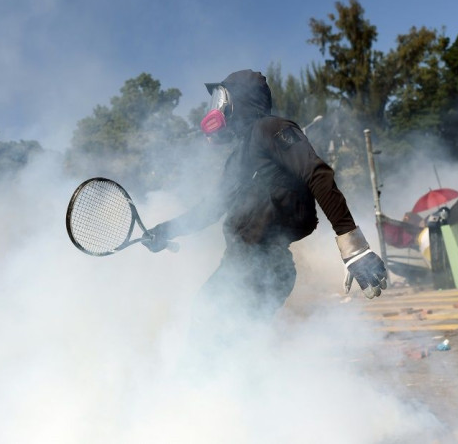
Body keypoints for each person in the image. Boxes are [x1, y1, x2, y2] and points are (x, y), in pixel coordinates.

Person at [142, 69, 387, 349]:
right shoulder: (238, 158)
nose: (215, 108)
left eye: (221, 99)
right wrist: (164, 231)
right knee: (219, 340)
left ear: (241, 101)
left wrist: (353, 246)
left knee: (218, 343)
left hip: (262, 266)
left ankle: (205, 389)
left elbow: (317, 174)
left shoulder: (270, 129)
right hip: (238, 266)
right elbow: (210, 208)